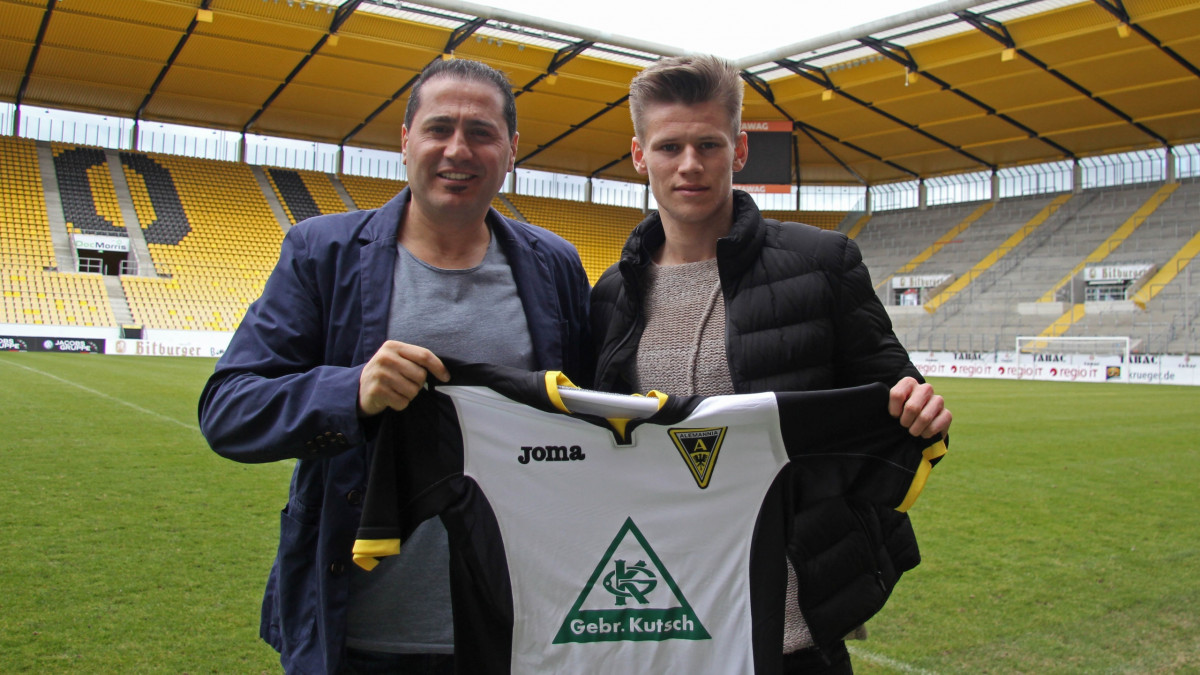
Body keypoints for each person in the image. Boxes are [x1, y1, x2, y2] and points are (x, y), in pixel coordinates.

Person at [198, 58, 592, 675]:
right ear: (405, 140)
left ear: (512, 149)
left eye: (481, 133)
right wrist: (351, 391)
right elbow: (228, 410)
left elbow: (588, 418)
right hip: (361, 634)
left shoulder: (555, 264)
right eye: (438, 129)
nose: (457, 150)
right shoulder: (322, 253)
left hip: (517, 629)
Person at [590, 55, 952, 674]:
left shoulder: (821, 263)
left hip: (794, 625)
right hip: (660, 621)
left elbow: (896, 392)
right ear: (639, 155)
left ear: (738, 151)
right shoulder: (611, 296)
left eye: (708, 144)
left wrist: (922, 409)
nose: (689, 164)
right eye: (669, 146)